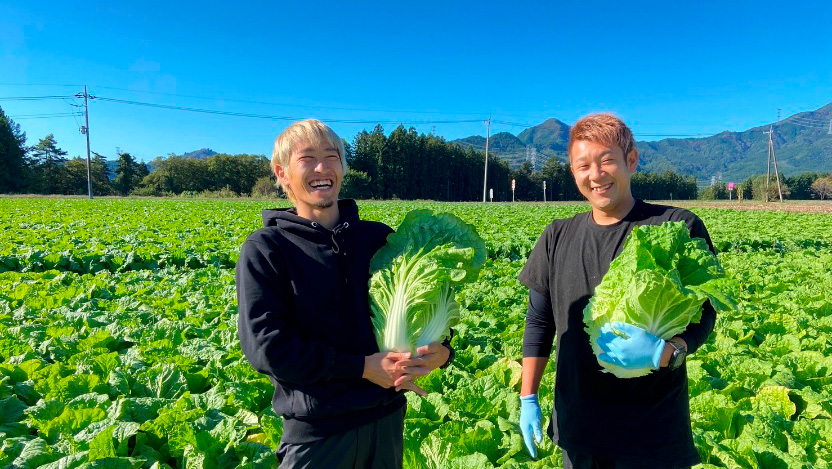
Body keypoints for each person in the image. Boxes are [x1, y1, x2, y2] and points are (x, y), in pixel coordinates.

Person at [236, 119, 452, 468]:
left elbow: (426, 302)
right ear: (282, 173)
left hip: (387, 424)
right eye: (307, 158)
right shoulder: (267, 248)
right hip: (317, 436)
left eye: (332, 156)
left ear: (343, 167)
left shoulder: (379, 239)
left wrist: (443, 350)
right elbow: (268, 349)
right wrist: (361, 368)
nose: (322, 167)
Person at [517, 113, 716, 468]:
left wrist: (668, 352)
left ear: (632, 160)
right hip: (577, 432)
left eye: (606, 160)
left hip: (652, 436)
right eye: (583, 166)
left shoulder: (676, 226)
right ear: (574, 172)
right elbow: (538, 323)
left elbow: (707, 312)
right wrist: (528, 398)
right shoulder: (556, 236)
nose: (596, 175)